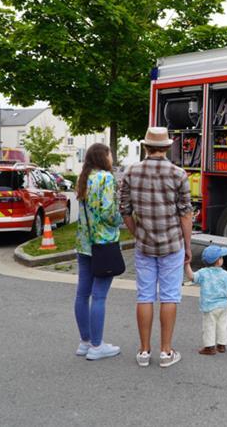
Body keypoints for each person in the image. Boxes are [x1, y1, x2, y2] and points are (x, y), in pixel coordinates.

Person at [120, 127, 193, 368]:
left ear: (146, 147)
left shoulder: (131, 172)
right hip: (172, 243)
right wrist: (188, 246)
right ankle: (165, 351)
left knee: (145, 296)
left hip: (144, 244)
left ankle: (143, 351)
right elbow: (185, 213)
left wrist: (137, 232)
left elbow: (125, 209)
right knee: (170, 296)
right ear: (167, 147)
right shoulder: (179, 174)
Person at [74, 143, 123, 360]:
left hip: (84, 243)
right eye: (110, 154)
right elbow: (108, 212)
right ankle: (97, 346)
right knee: (100, 296)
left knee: (82, 294)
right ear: (104, 157)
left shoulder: (82, 177)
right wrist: (122, 220)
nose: (112, 157)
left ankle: (85, 342)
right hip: (103, 242)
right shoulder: (106, 178)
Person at [185, 245, 227, 355]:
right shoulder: (226, 274)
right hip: (223, 305)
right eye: (221, 257)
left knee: (209, 326)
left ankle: (210, 347)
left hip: (209, 306)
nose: (222, 259)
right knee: (222, 325)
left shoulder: (203, 273)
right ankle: (221, 345)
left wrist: (187, 264)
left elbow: (191, 277)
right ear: (218, 261)